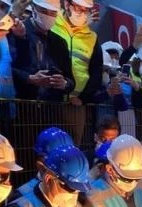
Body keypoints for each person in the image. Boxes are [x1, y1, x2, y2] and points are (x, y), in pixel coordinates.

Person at [51, 0, 101, 141]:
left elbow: (96, 71)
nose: (82, 13)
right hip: (49, 100)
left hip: (75, 104)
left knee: (72, 145)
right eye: (79, 8)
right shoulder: (52, 25)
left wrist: (83, 98)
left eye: (86, 10)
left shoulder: (92, 38)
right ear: (67, 5)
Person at [9, 0, 73, 101]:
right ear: (33, 8)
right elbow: (6, 68)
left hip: (52, 106)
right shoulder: (18, 32)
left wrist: (64, 83)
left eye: (53, 13)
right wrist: (29, 78)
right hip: (24, 103)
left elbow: (70, 80)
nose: (48, 16)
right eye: (44, 11)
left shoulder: (60, 43)